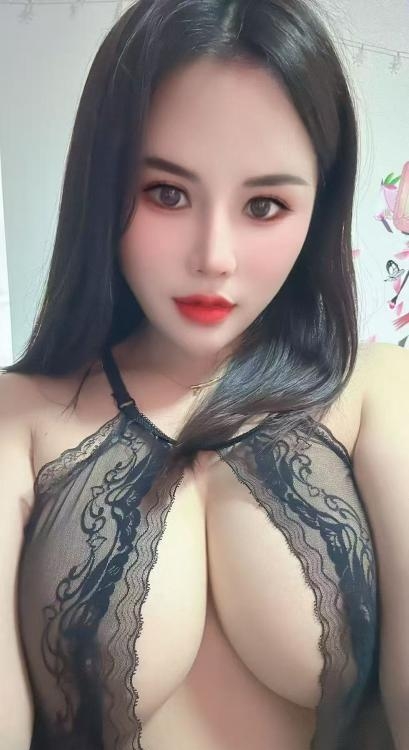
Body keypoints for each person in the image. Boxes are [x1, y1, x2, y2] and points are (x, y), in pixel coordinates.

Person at [1, 0, 408, 748]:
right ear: (102, 186)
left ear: (318, 208)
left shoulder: (378, 392)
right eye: (167, 192)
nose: (213, 256)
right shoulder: (16, 420)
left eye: (264, 205)